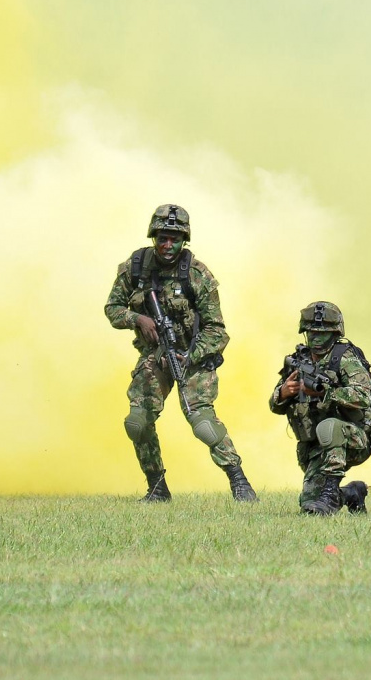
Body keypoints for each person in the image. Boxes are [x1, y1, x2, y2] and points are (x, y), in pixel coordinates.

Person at [103, 204, 256, 503]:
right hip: (156, 354)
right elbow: (112, 309)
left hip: (193, 356)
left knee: (202, 424)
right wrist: (139, 319)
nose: (168, 244)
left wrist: (191, 354)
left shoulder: (198, 276)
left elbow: (217, 330)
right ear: (153, 236)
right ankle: (157, 486)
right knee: (138, 421)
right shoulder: (134, 268)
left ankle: (239, 480)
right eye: (162, 237)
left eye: (174, 238)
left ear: (184, 239)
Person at [270, 301, 371, 515]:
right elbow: (274, 406)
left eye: (323, 333)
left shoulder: (345, 358)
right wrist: (283, 393)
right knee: (308, 505)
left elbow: (363, 396)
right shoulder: (298, 361)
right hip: (316, 448)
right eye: (312, 332)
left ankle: (330, 494)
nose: (316, 337)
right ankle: (351, 493)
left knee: (330, 425)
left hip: (355, 437)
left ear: (335, 334)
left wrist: (326, 393)